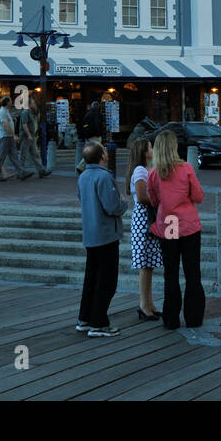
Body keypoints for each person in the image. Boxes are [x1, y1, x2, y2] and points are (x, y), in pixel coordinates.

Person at [146, 129, 205, 330]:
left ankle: (171, 318)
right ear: (174, 147)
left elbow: (153, 200)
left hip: (168, 223)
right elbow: (198, 196)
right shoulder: (186, 168)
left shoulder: (153, 173)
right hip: (188, 224)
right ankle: (194, 317)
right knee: (192, 272)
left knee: (171, 273)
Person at [75, 140, 126, 337]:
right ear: (102, 156)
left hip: (90, 233)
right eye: (104, 151)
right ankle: (99, 322)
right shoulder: (104, 177)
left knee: (91, 278)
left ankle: (84, 318)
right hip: (105, 234)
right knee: (107, 280)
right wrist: (123, 204)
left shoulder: (83, 177)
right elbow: (112, 206)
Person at [126, 137, 163, 321]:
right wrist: (158, 201)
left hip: (146, 218)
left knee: (148, 265)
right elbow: (141, 197)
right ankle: (144, 304)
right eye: (150, 146)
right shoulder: (140, 170)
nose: (153, 148)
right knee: (145, 265)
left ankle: (149, 304)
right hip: (144, 218)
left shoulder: (146, 169)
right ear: (143, 151)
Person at [0, 96, 26, 181]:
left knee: (14, 155)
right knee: (1, 155)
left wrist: (13, 123)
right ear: (7, 102)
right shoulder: (3, 112)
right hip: (5, 136)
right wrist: (13, 134)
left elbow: (8, 123)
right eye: (11, 101)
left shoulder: (6, 111)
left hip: (8, 136)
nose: (12, 102)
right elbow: (5, 124)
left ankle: (21, 172)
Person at [17, 95, 50, 178]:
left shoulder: (31, 113)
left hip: (31, 136)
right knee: (23, 154)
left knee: (35, 154)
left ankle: (41, 170)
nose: (35, 104)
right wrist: (28, 135)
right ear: (29, 104)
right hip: (26, 136)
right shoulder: (25, 112)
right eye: (33, 103)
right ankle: (20, 172)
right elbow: (24, 124)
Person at [75, 100, 104, 174]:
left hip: (88, 136)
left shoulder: (88, 114)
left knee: (92, 151)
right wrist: (99, 133)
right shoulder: (96, 115)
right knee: (94, 152)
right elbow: (97, 125)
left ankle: (86, 167)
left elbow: (84, 125)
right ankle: (81, 167)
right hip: (95, 136)